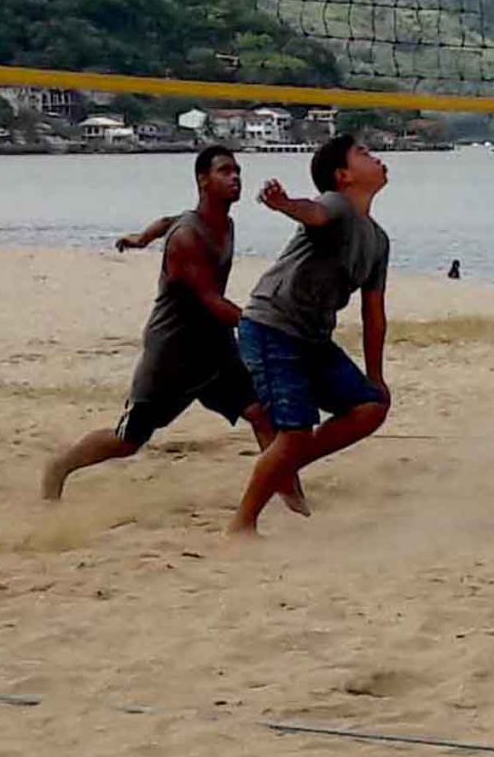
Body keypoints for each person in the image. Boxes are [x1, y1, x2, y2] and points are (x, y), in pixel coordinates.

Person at [43, 148, 307, 515]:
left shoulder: (220, 223)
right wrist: (265, 324)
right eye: (225, 171)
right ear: (202, 179)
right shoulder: (188, 238)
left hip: (215, 348)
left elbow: (169, 219)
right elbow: (211, 301)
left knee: (262, 414)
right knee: (128, 440)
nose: (235, 178)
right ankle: (60, 467)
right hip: (173, 353)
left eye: (237, 171)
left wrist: (141, 238)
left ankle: (293, 500)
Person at [228, 134, 393, 535]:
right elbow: (313, 213)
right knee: (296, 432)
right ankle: (242, 525)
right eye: (364, 154)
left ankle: (283, 466)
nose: (377, 158)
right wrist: (284, 205)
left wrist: (376, 375)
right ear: (343, 176)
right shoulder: (336, 204)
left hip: (313, 338)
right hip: (272, 325)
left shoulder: (378, 239)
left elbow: (374, 313)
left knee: (370, 406)